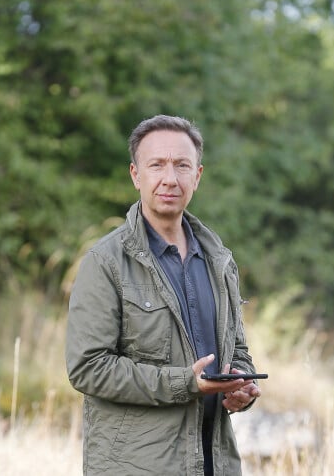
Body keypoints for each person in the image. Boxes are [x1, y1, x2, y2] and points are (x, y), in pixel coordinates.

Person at [66, 114, 262, 476]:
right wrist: (185, 383)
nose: (170, 178)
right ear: (135, 175)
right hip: (136, 467)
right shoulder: (105, 262)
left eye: (182, 166)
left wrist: (240, 386)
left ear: (197, 176)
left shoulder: (219, 260)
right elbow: (88, 368)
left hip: (214, 464)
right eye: (157, 165)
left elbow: (236, 351)